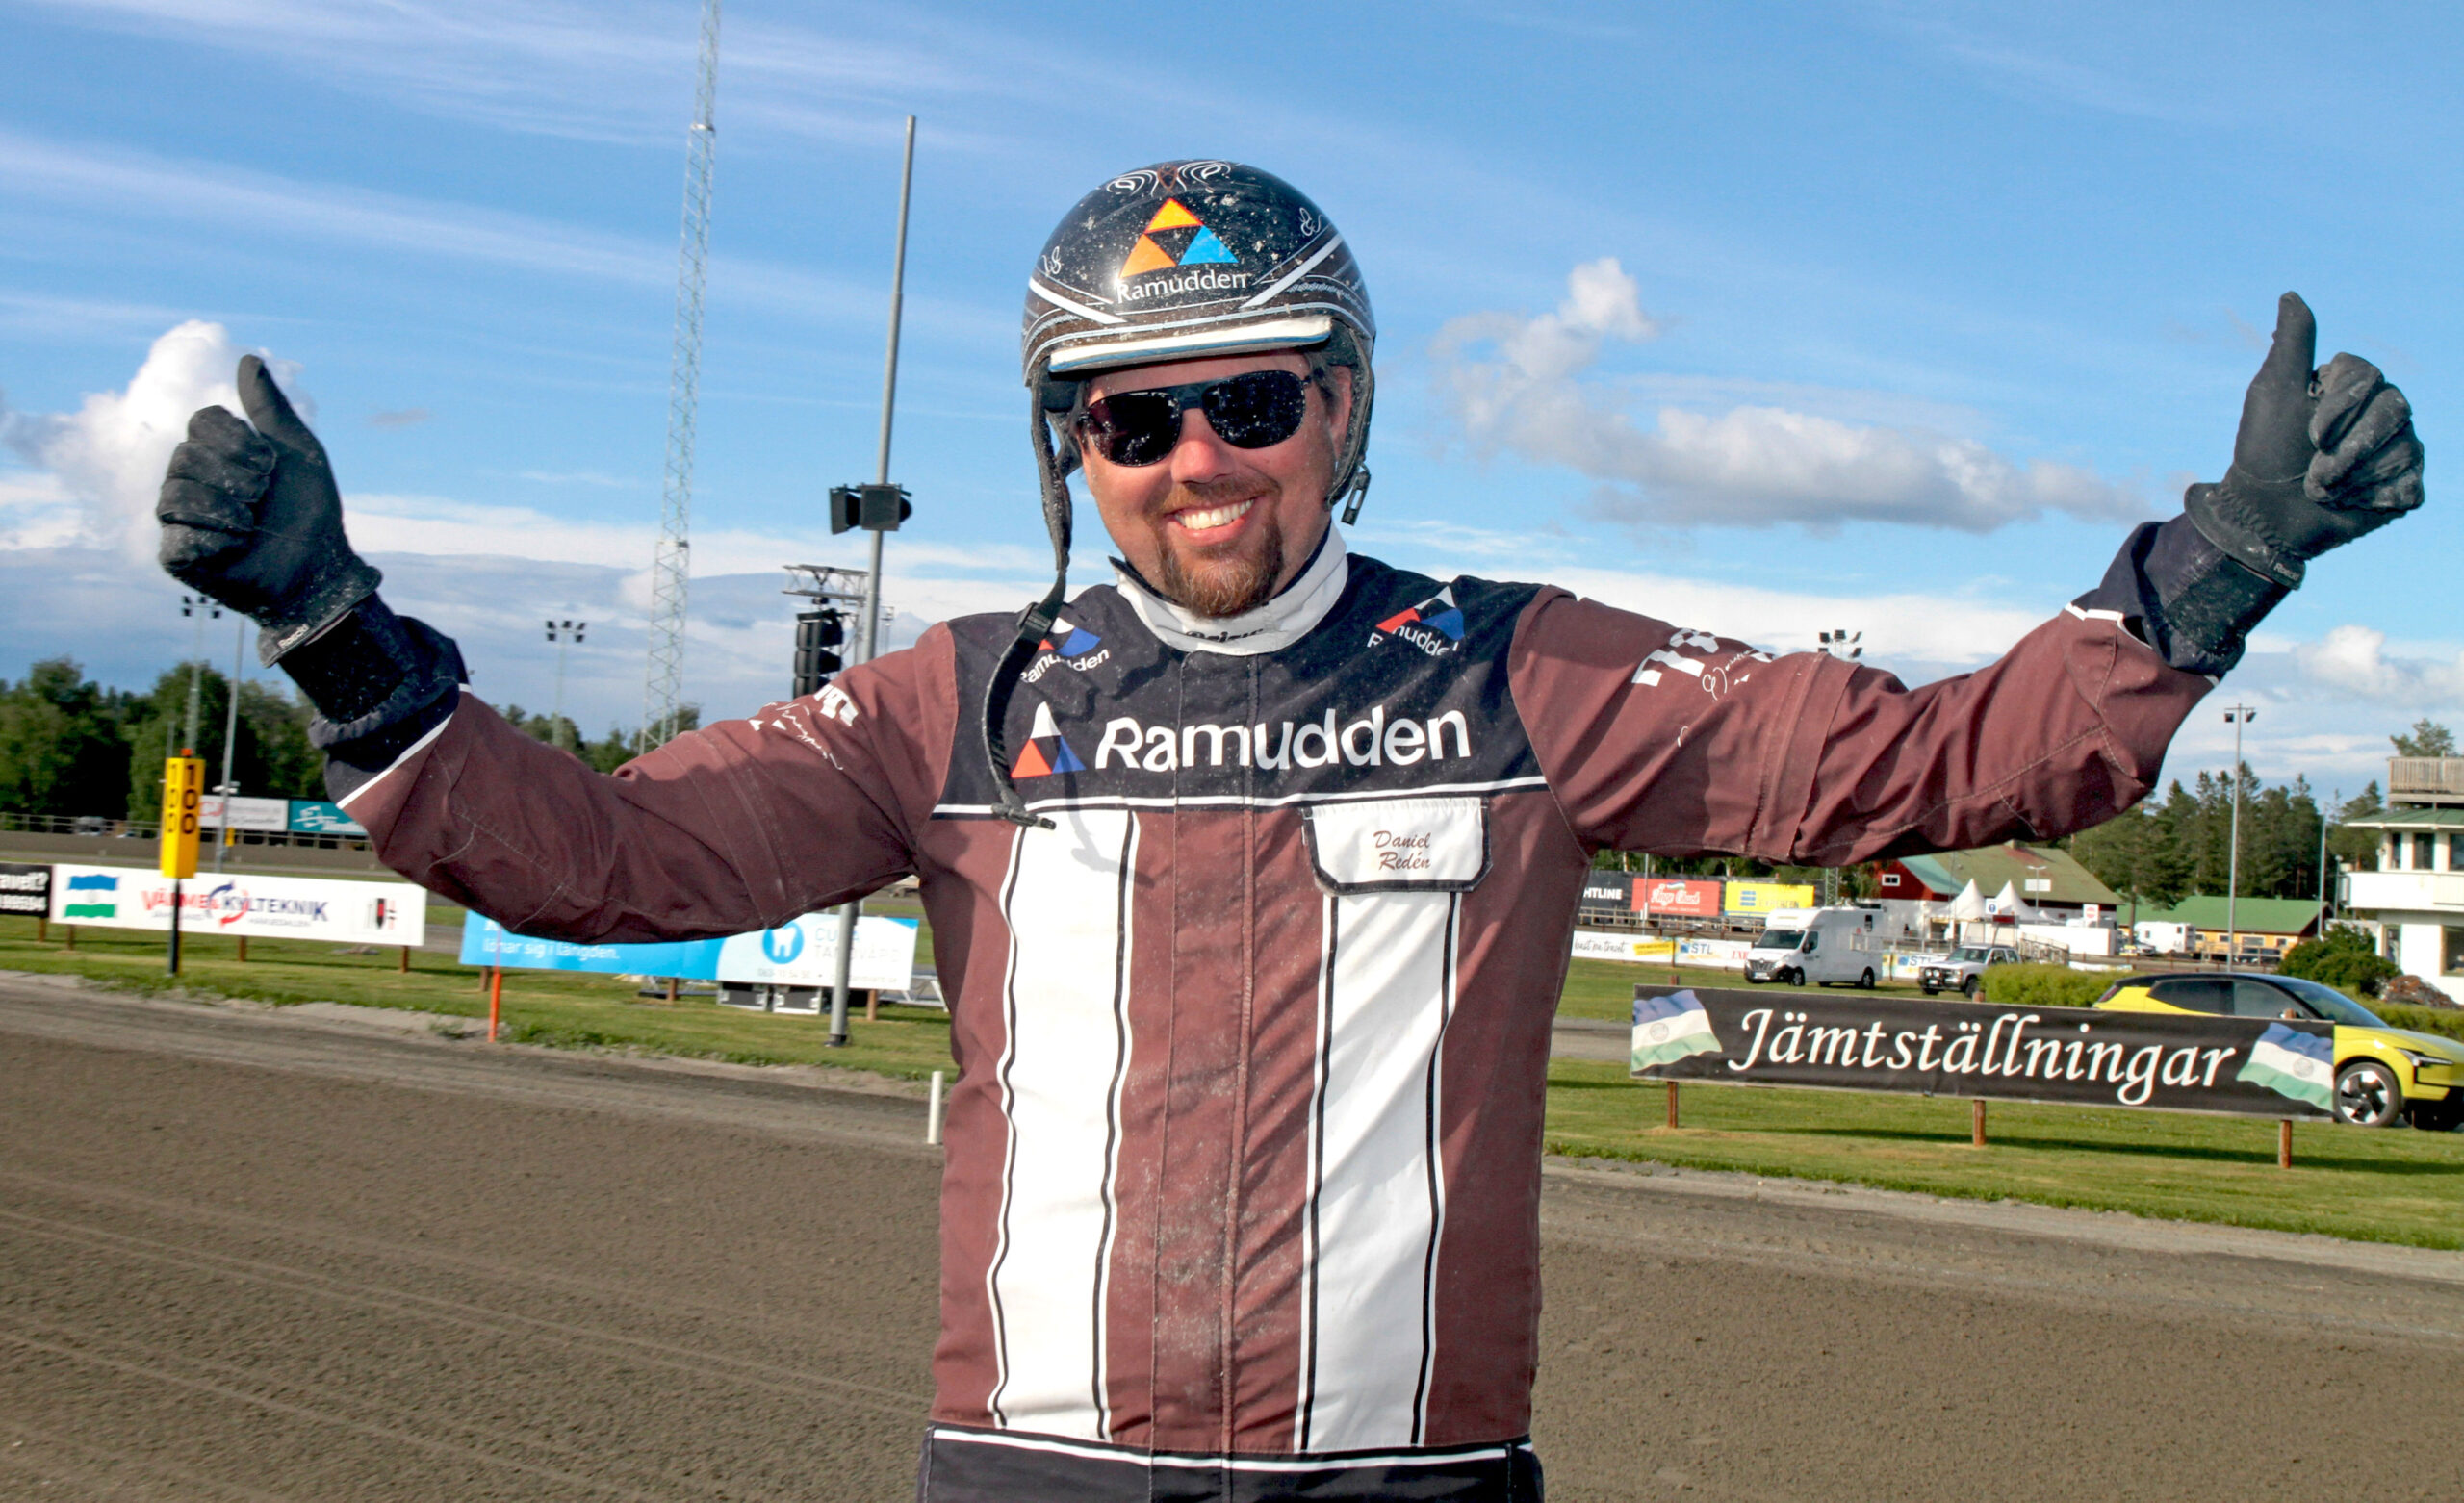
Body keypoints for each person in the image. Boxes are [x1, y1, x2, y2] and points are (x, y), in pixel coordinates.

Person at [154, 161, 2424, 1501]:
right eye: (1131, 418)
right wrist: (341, 635)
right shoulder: (957, 702)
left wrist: (2212, 565)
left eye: (1248, 396)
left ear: (1339, 408)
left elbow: (1929, 765)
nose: (1196, 460)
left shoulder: (1530, 673)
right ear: (1067, 451)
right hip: (1040, 1478)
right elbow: (603, 860)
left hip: (1413, 1483)